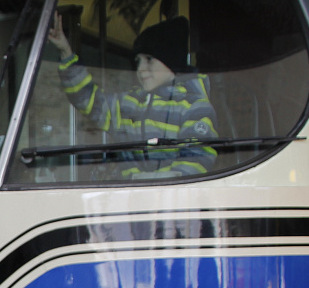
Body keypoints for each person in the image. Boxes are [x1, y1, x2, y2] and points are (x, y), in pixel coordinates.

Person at [46, 12, 218, 179]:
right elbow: (88, 100)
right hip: (128, 200)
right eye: (138, 61)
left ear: (171, 60)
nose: (140, 68)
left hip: (172, 203)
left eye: (149, 59)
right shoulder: (129, 103)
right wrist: (66, 53)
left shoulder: (195, 107)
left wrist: (160, 192)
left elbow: (196, 159)